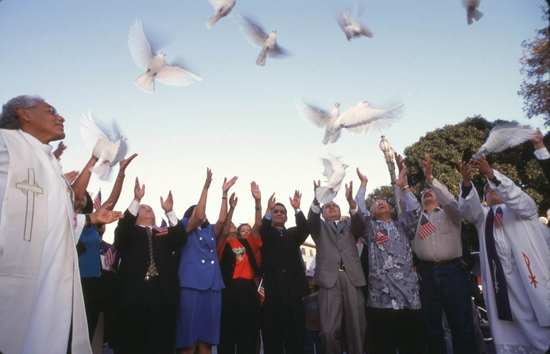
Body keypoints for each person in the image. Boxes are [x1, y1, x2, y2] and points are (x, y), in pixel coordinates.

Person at [0, 95, 123, 354]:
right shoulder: (5, 144)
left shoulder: (51, 163)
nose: (60, 117)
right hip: (14, 272)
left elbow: (57, 217)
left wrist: (91, 218)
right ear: (25, 114)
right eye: (50, 111)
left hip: (52, 278)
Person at [458, 156, 550, 353]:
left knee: (539, 328)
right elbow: (469, 208)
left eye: (495, 187)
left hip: (527, 281)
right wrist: (466, 183)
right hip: (500, 286)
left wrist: (491, 174)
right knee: (509, 331)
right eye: (487, 190)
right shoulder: (483, 218)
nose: (491, 190)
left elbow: (521, 201)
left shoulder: (521, 211)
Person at [354, 166, 426, 354]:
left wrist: (406, 187)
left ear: (392, 209)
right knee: (383, 346)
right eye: (376, 203)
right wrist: (363, 185)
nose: (380, 203)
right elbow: (358, 213)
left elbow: (416, 211)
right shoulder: (370, 228)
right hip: (381, 299)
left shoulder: (403, 226)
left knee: (411, 345)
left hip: (408, 297)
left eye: (384, 201)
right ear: (373, 212)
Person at [412, 154, 478, 354]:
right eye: (424, 191)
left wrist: (431, 179)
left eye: (430, 190)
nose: (427, 192)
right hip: (426, 274)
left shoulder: (451, 214)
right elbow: (403, 203)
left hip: (452, 272)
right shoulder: (415, 220)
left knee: (461, 325)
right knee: (432, 328)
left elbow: (450, 200)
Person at [114, 178, 187, 354]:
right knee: (134, 343)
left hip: (162, 292)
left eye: (151, 208)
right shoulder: (129, 232)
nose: (148, 209)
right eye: (143, 208)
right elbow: (122, 230)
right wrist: (136, 199)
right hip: (135, 293)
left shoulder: (163, 232)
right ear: (135, 214)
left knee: (161, 343)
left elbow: (181, 239)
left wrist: (170, 212)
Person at [176, 169, 237, 354]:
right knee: (188, 340)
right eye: (197, 210)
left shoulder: (210, 230)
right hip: (191, 285)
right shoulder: (184, 225)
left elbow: (222, 224)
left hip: (212, 287)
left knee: (207, 340)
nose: (201, 213)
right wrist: (206, 187)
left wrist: (225, 196)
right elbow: (198, 216)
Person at [77, 153, 137, 343]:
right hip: (73, 282)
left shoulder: (93, 222)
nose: (81, 198)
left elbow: (112, 200)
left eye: (84, 197)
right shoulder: (66, 219)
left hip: (93, 283)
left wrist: (121, 173)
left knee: (88, 332)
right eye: (78, 197)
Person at [307, 180, 366, 354]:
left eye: (335, 206)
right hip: (328, 281)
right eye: (328, 207)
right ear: (323, 213)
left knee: (357, 327)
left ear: (340, 212)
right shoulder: (319, 228)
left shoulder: (350, 225)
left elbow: (360, 222)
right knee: (327, 330)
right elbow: (311, 219)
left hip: (352, 278)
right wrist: (318, 199)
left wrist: (351, 202)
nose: (331, 207)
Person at [260, 190, 310, 354]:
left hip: (293, 292)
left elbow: (305, 229)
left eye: (282, 212)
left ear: (287, 217)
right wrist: (268, 209)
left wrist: (297, 208)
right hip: (273, 291)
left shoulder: (293, 234)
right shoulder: (266, 233)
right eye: (276, 212)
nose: (279, 214)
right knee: (273, 336)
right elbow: (263, 230)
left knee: (295, 335)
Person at [217, 182, 263, 354]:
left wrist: (258, 201)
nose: (232, 225)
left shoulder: (246, 243)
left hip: (248, 290)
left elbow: (258, 225)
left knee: (249, 334)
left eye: (234, 224)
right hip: (229, 290)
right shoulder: (222, 244)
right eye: (231, 224)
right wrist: (231, 208)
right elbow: (222, 231)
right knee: (227, 334)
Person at [303, 269, 323, 354]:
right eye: (307, 280)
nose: (310, 282)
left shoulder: (320, 294)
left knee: (320, 348)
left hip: (319, 328)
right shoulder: (304, 297)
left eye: (311, 279)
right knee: (308, 348)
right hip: (308, 328)